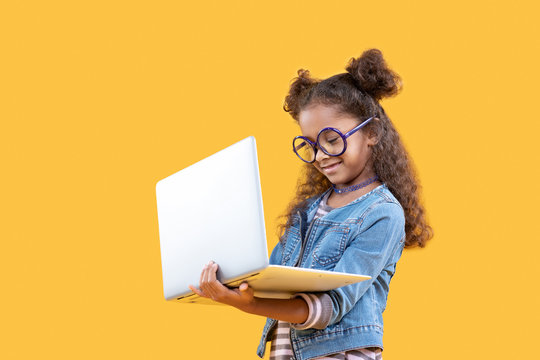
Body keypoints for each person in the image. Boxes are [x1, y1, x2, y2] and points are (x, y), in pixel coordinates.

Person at [189, 48, 433, 360]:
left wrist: (247, 304)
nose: (319, 156)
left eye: (332, 140)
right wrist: (227, 278)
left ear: (371, 132)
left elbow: (330, 306)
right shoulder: (306, 212)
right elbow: (269, 280)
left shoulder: (381, 213)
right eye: (311, 145)